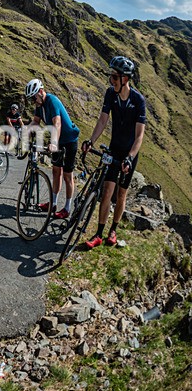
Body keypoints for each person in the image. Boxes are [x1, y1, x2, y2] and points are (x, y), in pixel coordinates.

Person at [81, 56, 146, 248]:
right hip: (115, 149)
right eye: (111, 77)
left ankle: (113, 230)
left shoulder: (138, 100)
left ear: (125, 79)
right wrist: (91, 140)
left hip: (129, 154)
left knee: (121, 195)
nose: (112, 81)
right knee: (107, 191)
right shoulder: (110, 94)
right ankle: (99, 234)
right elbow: (102, 120)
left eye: (115, 77)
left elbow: (139, 136)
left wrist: (130, 158)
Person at [26, 79, 80, 219]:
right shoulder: (40, 104)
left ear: (40, 91)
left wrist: (54, 142)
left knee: (68, 175)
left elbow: (57, 123)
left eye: (34, 98)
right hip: (58, 141)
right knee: (56, 172)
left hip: (69, 140)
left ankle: (67, 208)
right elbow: (36, 122)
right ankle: (53, 204)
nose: (33, 101)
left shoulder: (52, 100)